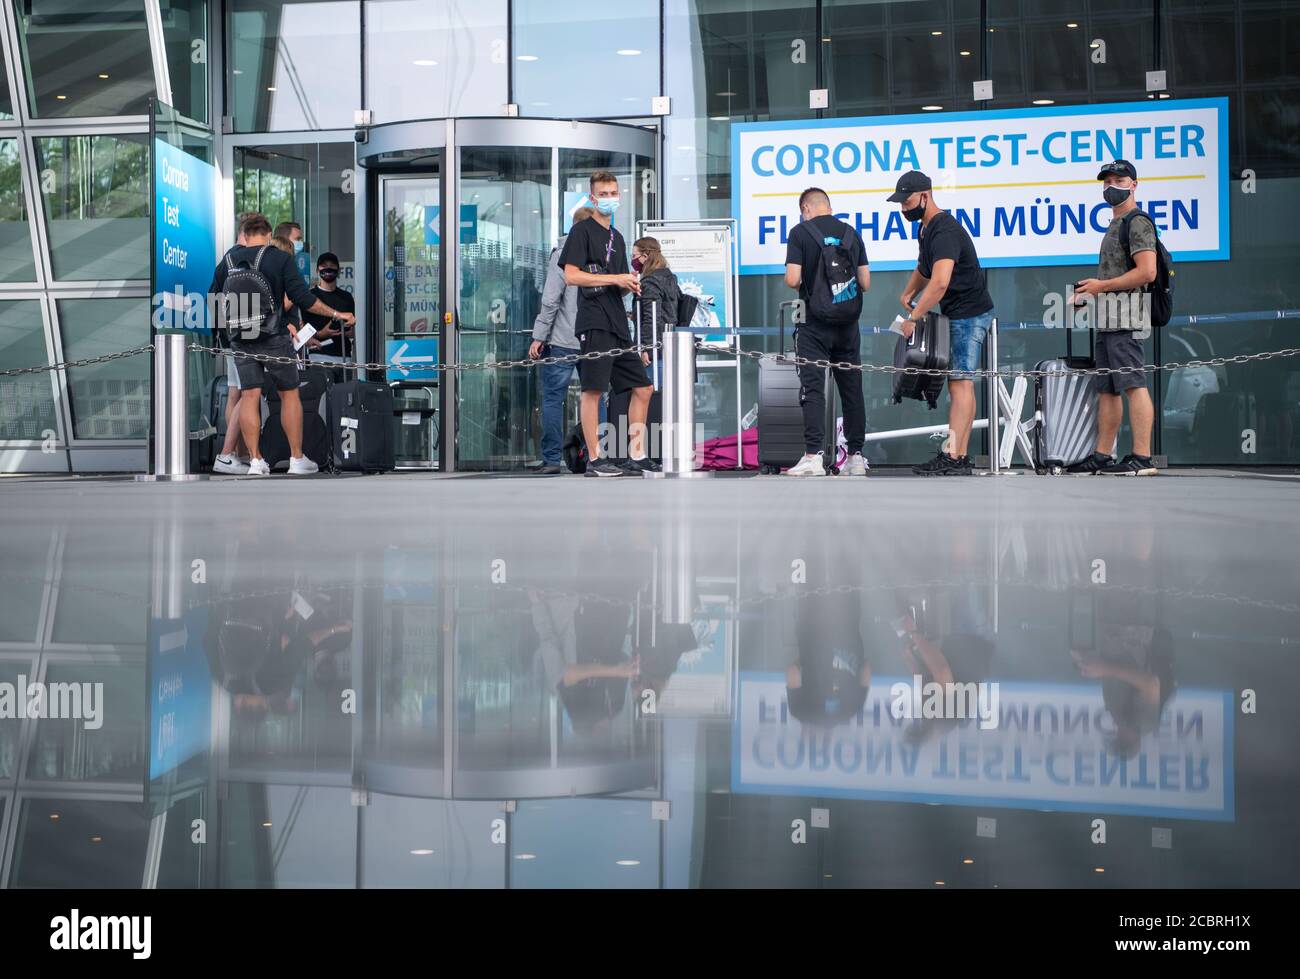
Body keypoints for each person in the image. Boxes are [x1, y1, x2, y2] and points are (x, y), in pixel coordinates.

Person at [213, 213, 355, 476]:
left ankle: (256, 461)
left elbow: (214, 299)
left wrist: (224, 336)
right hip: (273, 336)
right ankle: (296, 459)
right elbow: (304, 298)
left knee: (249, 395)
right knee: (289, 393)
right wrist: (337, 314)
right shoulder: (279, 258)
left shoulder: (228, 261)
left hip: (241, 339)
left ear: (245, 234)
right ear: (268, 235)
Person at [891, 170, 995, 476]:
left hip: (969, 312)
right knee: (960, 384)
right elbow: (925, 268)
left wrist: (913, 317)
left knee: (960, 384)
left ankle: (954, 456)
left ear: (926, 195)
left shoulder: (944, 230)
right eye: (900, 203)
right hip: (958, 311)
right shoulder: (926, 229)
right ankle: (958, 456)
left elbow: (939, 282)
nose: (903, 208)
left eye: (907, 201)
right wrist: (909, 292)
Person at [560, 171, 654, 477]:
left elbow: (618, 280)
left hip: (618, 323)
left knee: (643, 387)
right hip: (594, 321)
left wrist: (628, 283)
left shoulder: (619, 236)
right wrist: (615, 278)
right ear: (592, 197)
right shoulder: (582, 231)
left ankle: (636, 455)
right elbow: (571, 275)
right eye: (603, 193)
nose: (610, 198)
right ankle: (596, 459)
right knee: (593, 390)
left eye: (614, 192)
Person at [1068, 159, 1159, 476]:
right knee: (1106, 388)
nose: (1111, 186)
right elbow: (1117, 274)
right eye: (1106, 181)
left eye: (1119, 180)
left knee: (1134, 384)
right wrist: (1087, 294)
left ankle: (1142, 457)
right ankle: (1102, 455)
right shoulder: (1115, 224)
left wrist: (1100, 287)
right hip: (1108, 319)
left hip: (1128, 318)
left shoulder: (1138, 222)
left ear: (1134, 184)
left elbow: (1147, 272)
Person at [782, 187, 871, 477]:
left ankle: (813, 457)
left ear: (806, 208)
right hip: (848, 325)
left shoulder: (800, 232)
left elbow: (793, 278)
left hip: (813, 324)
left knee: (812, 388)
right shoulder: (851, 233)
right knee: (852, 389)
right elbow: (865, 282)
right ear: (828, 206)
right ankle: (856, 457)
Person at [529, 206, 595, 474]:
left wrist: (538, 337)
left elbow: (550, 300)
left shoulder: (561, 254)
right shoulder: (602, 254)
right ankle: (594, 457)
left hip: (562, 339)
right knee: (594, 398)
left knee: (554, 399)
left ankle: (552, 459)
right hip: (594, 340)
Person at [211, 213, 258, 474]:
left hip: (230, 334)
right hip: (246, 333)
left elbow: (213, 294)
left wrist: (220, 332)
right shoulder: (244, 258)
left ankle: (236, 455)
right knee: (248, 390)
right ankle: (229, 453)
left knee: (235, 393)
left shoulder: (225, 260)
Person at [300, 252, 355, 362]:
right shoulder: (310, 297)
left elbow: (352, 329)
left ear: (338, 271)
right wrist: (321, 334)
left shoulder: (346, 297)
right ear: (317, 271)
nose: (328, 268)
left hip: (344, 355)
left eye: (332, 265)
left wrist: (348, 331)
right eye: (324, 266)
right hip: (318, 354)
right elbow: (300, 326)